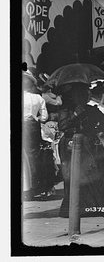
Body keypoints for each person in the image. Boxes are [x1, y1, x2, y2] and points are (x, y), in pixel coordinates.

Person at [56, 82, 104, 218]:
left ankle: (99, 205)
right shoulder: (67, 109)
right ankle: (81, 206)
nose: (86, 96)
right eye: (83, 94)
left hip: (89, 143)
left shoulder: (90, 109)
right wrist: (76, 114)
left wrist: (91, 130)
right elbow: (63, 126)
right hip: (71, 144)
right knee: (75, 174)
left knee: (97, 172)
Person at [22, 71, 57, 200]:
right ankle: (36, 186)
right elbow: (44, 117)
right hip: (32, 127)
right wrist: (35, 118)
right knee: (33, 156)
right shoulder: (38, 98)